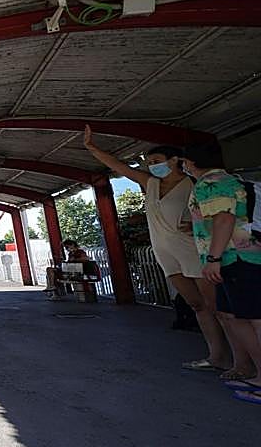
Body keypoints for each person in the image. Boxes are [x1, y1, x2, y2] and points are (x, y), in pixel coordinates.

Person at [84, 127, 231, 371]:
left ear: (175, 161)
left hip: (192, 249)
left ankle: (243, 359)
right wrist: (92, 148)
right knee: (196, 305)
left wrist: (198, 225)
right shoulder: (149, 183)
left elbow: (218, 212)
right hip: (165, 253)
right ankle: (217, 356)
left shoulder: (193, 183)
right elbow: (120, 167)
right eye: (149, 162)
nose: (152, 166)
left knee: (216, 306)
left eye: (157, 161)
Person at [182, 143, 261, 401]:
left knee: (253, 318)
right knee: (232, 315)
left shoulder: (211, 182)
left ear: (190, 162)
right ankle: (250, 369)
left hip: (237, 257)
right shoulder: (221, 180)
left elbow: (224, 219)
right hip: (231, 259)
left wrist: (213, 258)